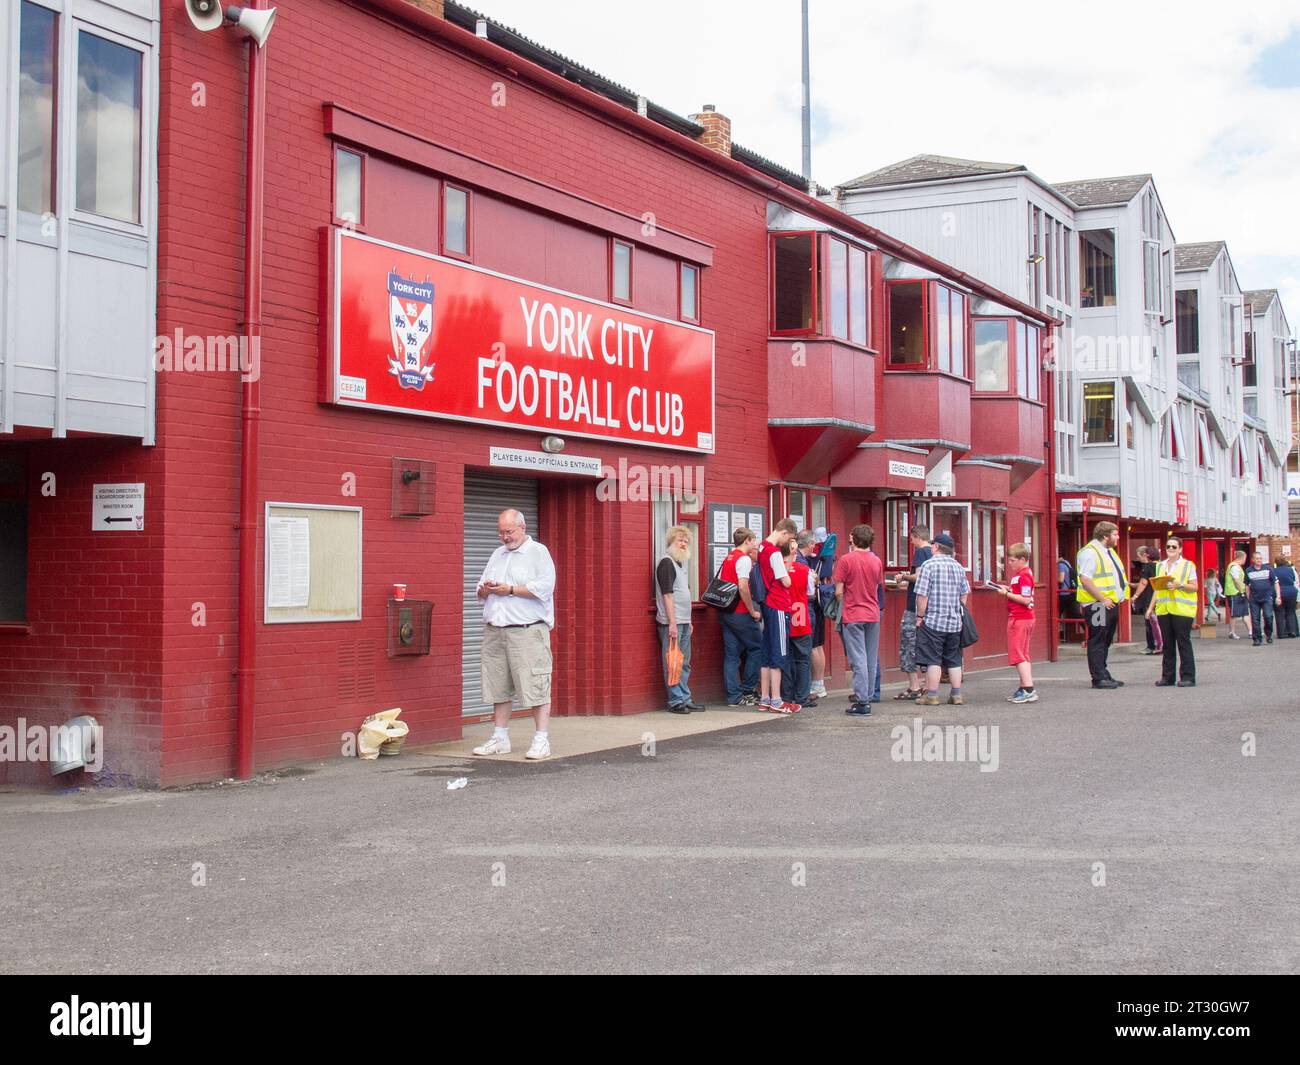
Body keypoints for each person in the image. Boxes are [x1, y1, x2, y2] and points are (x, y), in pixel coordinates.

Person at [472, 509, 557, 760]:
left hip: (528, 631)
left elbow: (545, 588)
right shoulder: (497, 554)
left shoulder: (538, 553)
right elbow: (479, 589)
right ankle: (500, 739)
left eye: (509, 532)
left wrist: (509, 589)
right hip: (495, 630)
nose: (505, 537)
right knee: (497, 687)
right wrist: (486, 590)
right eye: (501, 533)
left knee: (536, 685)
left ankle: (541, 741)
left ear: (522, 527)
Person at [833, 524, 884, 716]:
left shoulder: (846, 560)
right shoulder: (876, 561)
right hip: (873, 612)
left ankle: (862, 700)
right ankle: (868, 697)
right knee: (870, 658)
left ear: (853, 538)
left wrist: (843, 602)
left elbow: (838, 591)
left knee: (858, 659)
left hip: (853, 613)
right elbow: (877, 585)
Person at [914, 532, 970, 706]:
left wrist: (920, 616)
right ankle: (956, 694)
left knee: (933, 659)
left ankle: (932, 695)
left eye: (932, 545)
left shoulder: (928, 566)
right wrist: (958, 610)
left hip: (933, 622)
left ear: (936, 547)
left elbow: (922, 596)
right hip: (954, 623)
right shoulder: (959, 567)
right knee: (953, 659)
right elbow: (964, 593)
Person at [1076, 521, 1129, 690]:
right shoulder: (1090, 553)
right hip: (1098, 604)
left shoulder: (1108, 552)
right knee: (1098, 639)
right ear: (1105, 536)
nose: (1117, 537)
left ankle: (1103, 673)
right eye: (1114, 534)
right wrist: (1103, 599)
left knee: (1105, 640)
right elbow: (1085, 579)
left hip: (1109, 603)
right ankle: (1098, 677)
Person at [656, 525, 703, 713]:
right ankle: (676, 701)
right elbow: (667, 595)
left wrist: (688, 620)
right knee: (673, 662)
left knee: (684, 662)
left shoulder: (681, 563)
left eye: (685, 541)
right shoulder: (666, 562)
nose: (683, 544)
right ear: (671, 542)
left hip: (684, 621)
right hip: (672, 623)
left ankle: (685, 697)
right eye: (679, 540)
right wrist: (673, 622)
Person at [757, 519, 798, 713]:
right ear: (783, 532)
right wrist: (789, 563)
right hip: (779, 604)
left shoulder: (762, 547)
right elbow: (786, 581)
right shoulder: (773, 552)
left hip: (766, 603)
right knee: (779, 653)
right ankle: (776, 700)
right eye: (787, 538)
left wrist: (790, 558)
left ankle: (765, 698)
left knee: (767, 652)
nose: (785, 543)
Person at [717, 528, 761, 706]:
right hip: (740, 613)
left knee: (732, 655)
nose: (755, 544)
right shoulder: (744, 559)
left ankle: (733, 697)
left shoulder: (729, 557)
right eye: (754, 541)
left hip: (725, 611)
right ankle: (748, 690)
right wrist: (752, 611)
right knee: (758, 648)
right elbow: (743, 587)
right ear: (748, 541)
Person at [1149, 535, 1198, 687]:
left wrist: (1179, 585)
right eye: (1168, 546)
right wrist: (1151, 608)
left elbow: (1195, 587)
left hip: (1182, 610)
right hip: (1164, 609)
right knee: (1167, 644)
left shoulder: (1188, 565)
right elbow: (1157, 589)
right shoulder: (1160, 566)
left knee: (1183, 643)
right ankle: (1167, 677)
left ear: (1180, 549)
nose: (1170, 549)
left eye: (1174, 547)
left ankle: (1188, 677)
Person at [892, 525, 933, 701]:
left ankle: (914, 686)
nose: (910, 541)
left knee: (908, 644)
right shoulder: (934, 553)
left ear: (917, 537)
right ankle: (928, 685)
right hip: (930, 607)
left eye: (911, 538)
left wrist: (903, 576)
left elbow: (918, 576)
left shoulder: (920, 552)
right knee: (927, 645)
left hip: (914, 606)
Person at [993, 542, 1037, 703]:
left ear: (1022, 559)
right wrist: (1009, 590)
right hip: (1024, 617)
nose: (1009, 564)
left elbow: (1025, 600)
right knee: (1023, 654)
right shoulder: (1024, 574)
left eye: (1012, 561)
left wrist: (1006, 594)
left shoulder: (1023, 575)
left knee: (1018, 654)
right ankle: (1024, 687)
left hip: (1020, 617)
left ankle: (1028, 689)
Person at [780, 538, 816, 711]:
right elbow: (811, 593)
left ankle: (786, 695)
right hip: (800, 616)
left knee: (786, 659)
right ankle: (802, 696)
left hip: (783, 616)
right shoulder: (805, 570)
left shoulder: (777, 570)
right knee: (803, 659)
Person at [805, 528, 835, 702]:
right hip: (821, 602)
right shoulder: (828, 558)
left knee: (814, 645)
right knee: (818, 645)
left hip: (813, 603)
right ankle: (819, 683)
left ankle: (816, 684)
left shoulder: (817, 559)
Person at [1243, 549, 1281, 646]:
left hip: (1267, 597)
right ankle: (1257, 639)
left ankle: (1268, 634)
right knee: (1255, 619)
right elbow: (1247, 585)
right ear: (1253, 560)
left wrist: (1278, 596)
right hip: (1254, 599)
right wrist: (1248, 597)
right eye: (1257, 558)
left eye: (1260, 558)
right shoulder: (1248, 571)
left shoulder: (1268, 569)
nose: (1259, 560)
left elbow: (1276, 583)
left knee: (1268, 616)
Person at [1129, 547, 1162, 655]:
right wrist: (1131, 585)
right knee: (1160, 623)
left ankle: (1156, 646)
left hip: (1149, 598)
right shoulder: (1161, 566)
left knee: (1151, 623)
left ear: (1145, 555)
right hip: (1161, 598)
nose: (1138, 559)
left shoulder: (1147, 567)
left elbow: (1144, 583)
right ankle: (1159, 645)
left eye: (1139, 556)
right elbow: (1147, 582)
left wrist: (1135, 596)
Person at [1224, 550, 1251, 640]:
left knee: (1245, 612)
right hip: (1234, 593)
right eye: (1245, 558)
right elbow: (1236, 580)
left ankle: (1251, 631)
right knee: (1234, 614)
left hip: (1238, 592)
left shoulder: (1236, 566)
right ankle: (1232, 632)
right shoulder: (1234, 567)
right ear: (1243, 557)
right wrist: (1242, 590)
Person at [1275, 558, 1299, 638]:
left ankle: (1281, 633)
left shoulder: (1274, 571)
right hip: (1291, 592)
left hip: (1279, 592)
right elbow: (1295, 581)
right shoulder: (1291, 570)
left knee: (1279, 613)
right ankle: (1292, 631)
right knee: (1291, 612)